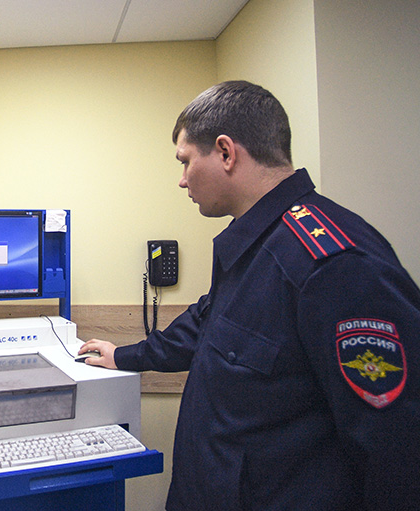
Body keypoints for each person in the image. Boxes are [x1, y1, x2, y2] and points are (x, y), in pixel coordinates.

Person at [78, 80, 420, 510]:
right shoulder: (255, 243)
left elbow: (396, 450)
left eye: (185, 162)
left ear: (225, 152)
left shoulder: (332, 265)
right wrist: (122, 356)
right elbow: (206, 324)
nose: (181, 181)